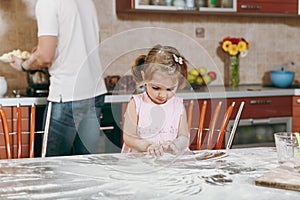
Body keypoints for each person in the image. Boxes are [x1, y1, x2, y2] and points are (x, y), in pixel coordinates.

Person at [9, 0, 107, 156]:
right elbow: (84, 43)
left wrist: (24, 65)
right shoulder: (87, 2)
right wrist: (43, 51)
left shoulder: (47, 2)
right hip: (94, 92)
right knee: (86, 167)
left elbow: (45, 56)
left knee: (52, 167)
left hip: (67, 95)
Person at [122, 44, 190, 157]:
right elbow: (129, 137)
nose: (162, 95)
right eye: (156, 88)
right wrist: (147, 146)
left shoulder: (178, 105)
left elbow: (184, 136)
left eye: (170, 89)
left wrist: (177, 145)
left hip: (170, 162)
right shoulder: (137, 103)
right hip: (141, 162)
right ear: (144, 77)